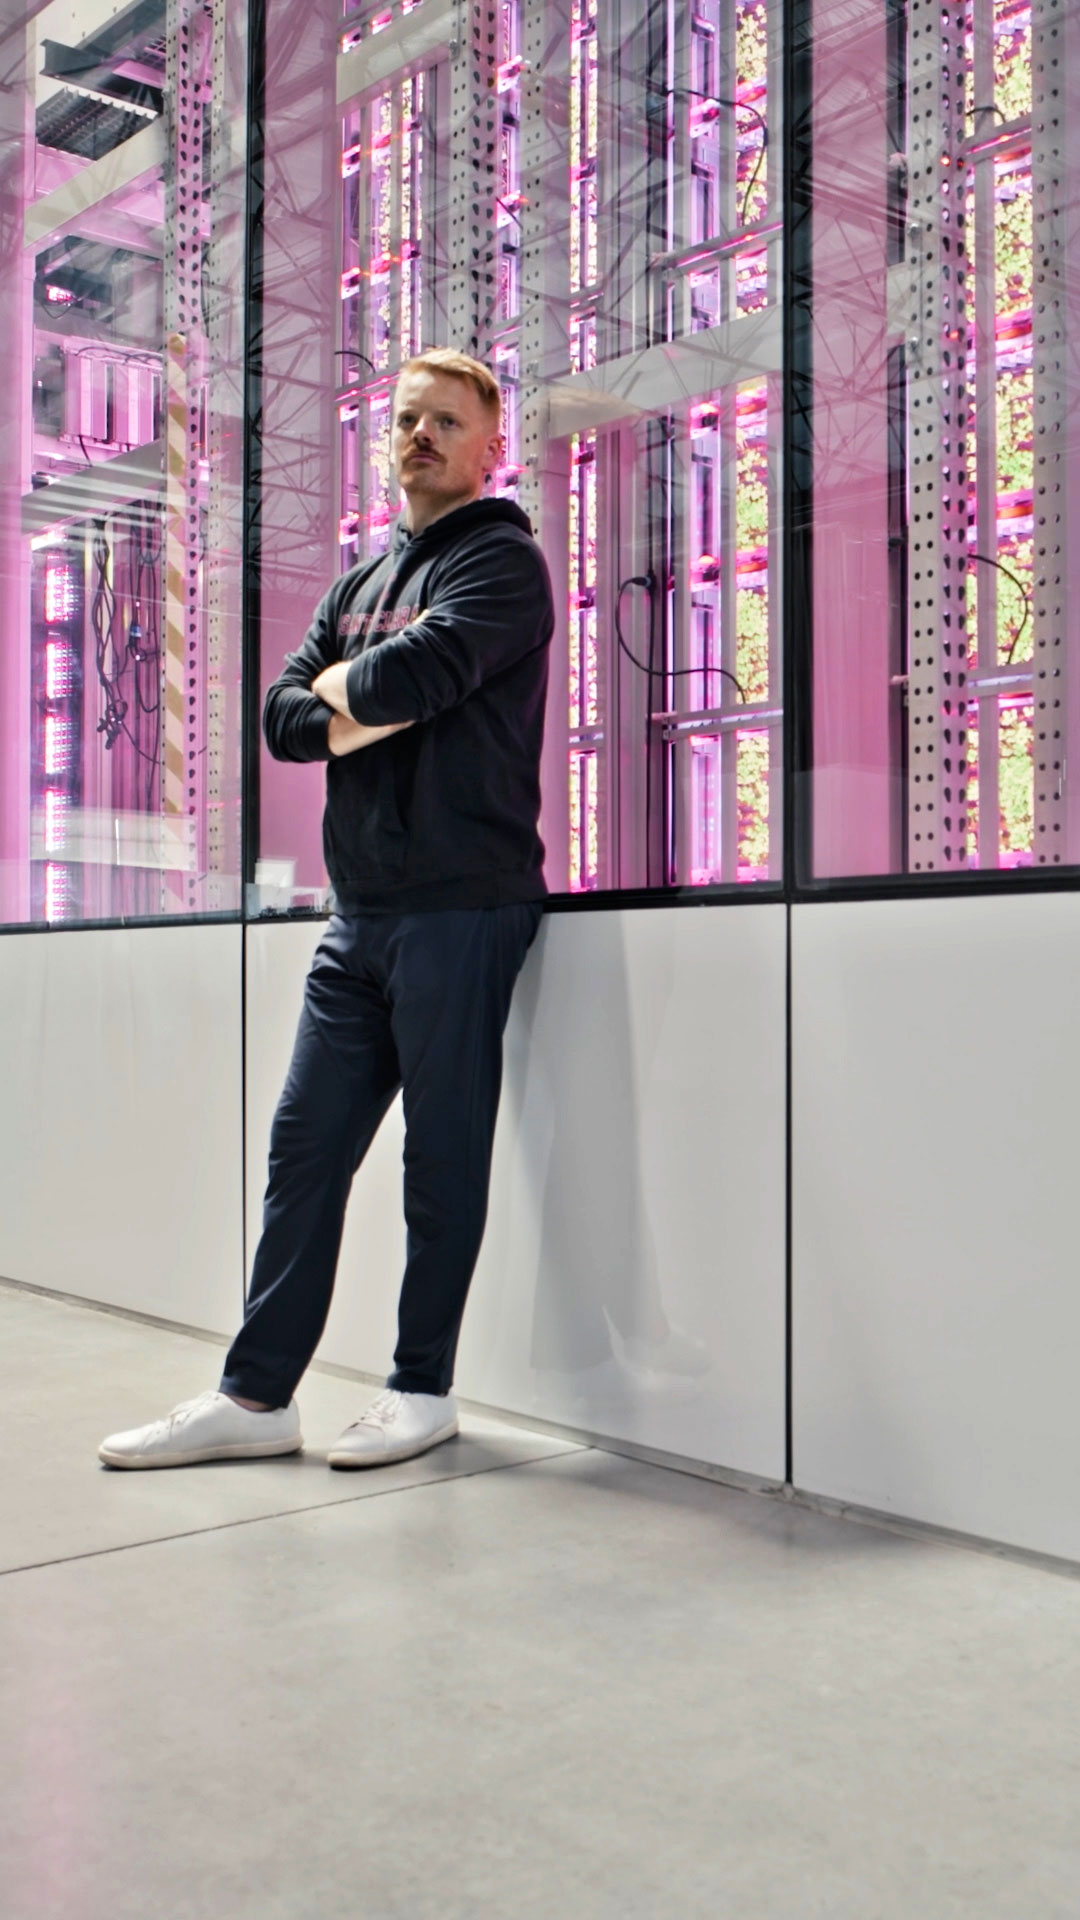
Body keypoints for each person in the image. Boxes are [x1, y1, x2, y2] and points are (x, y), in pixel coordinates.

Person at [100, 347, 554, 1472]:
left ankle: (422, 1387)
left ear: (490, 444)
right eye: (407, 419)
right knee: (304, 1149)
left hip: (464, 905)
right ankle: (257, 1399)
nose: (421, 436)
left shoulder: (505, 566)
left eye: (448, 421)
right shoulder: (358, 584)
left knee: (439, 1159)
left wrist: (348, 696)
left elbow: (405, 682)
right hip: (359, 914)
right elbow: (279, 719)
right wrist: (363, 699)